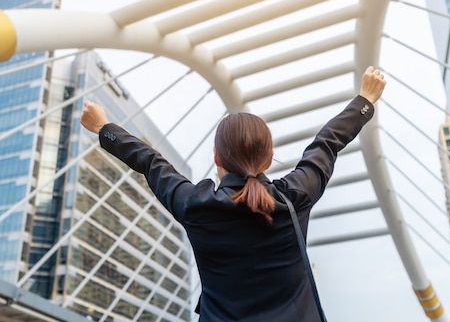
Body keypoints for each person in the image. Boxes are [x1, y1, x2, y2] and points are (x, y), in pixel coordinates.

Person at [81, 66, 386, 322]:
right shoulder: (293, 198)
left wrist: (103, 126)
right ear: (269, 157)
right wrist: (365, 100)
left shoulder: (195, 205)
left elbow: (149, 161)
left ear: (216, 157)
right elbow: (326, 143)